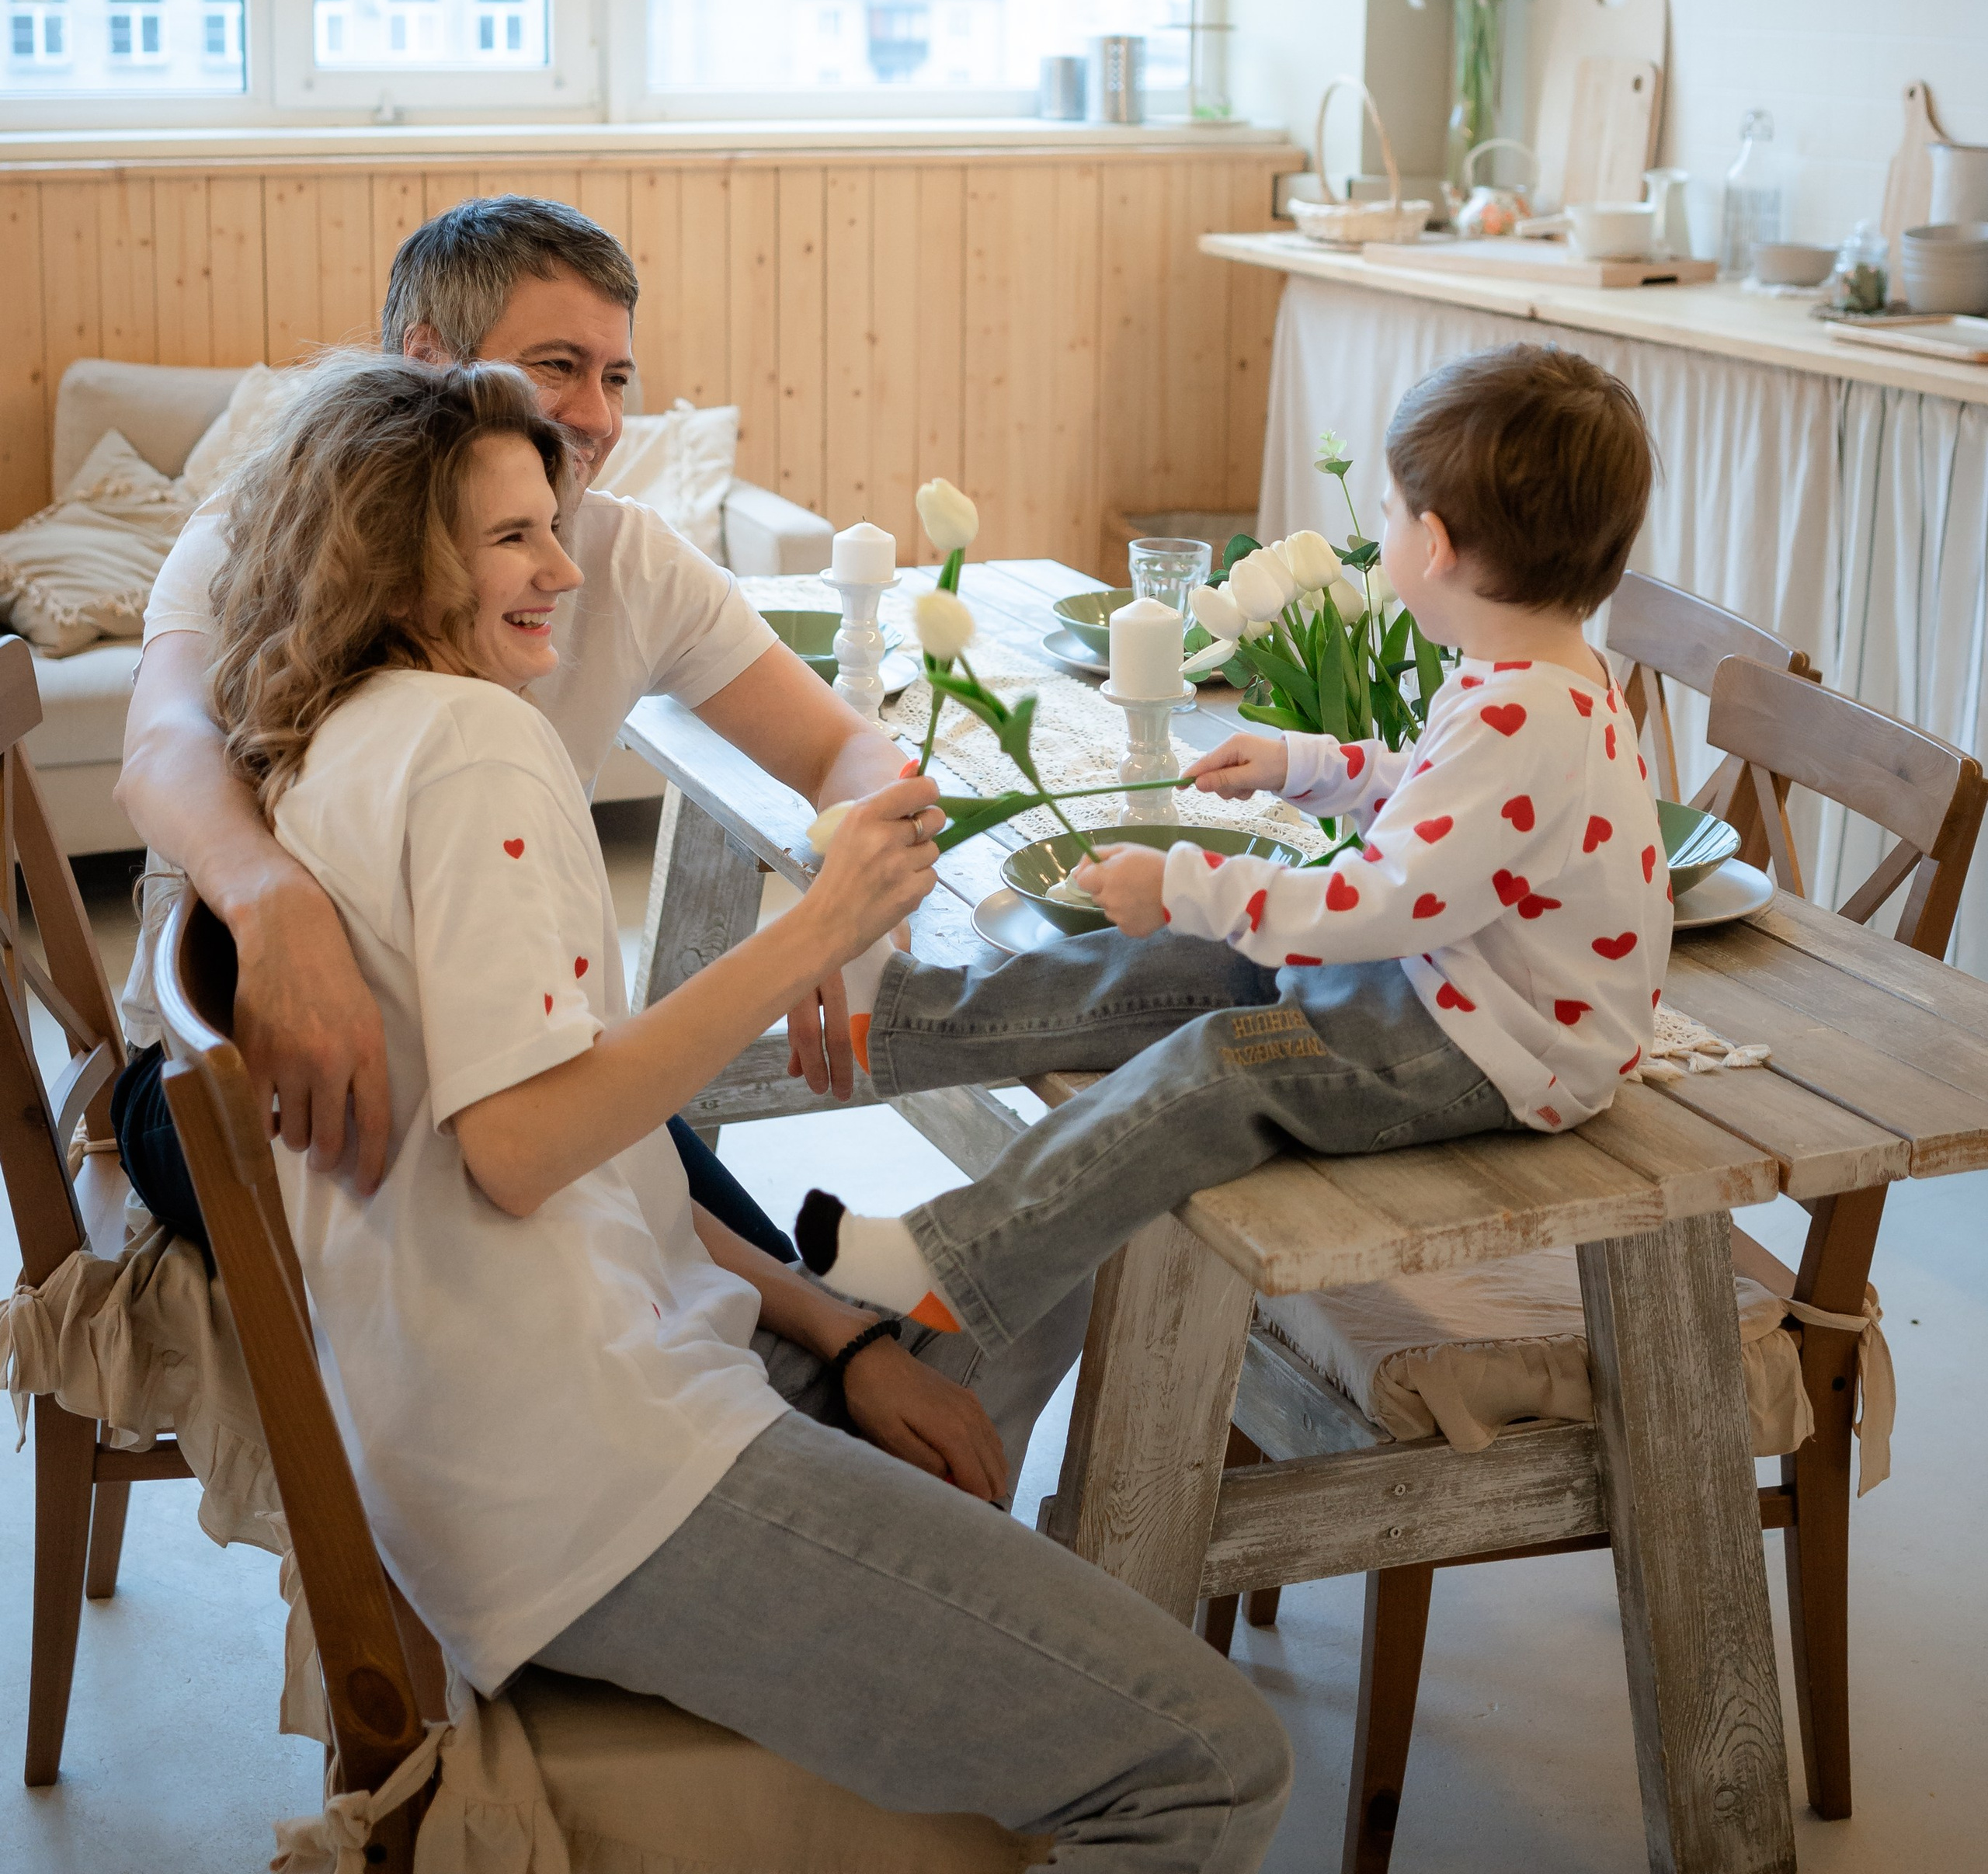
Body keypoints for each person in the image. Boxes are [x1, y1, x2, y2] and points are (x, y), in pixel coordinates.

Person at [202, 352, 1291, 1865]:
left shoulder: (330, 745)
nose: (560, 568)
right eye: (509, 536)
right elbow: (521, 1149)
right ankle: (1039, 1659)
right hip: (589, 1480)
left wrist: (837, 1332)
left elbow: (563, 1169)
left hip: (536, 1421)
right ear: (392, 558)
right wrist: (815, 931)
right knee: (1214, 1760)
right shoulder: (470, 749)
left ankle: (1006, 1624)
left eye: (552, 524)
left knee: (1055, 1211)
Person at [791, 346, 1667, 1354]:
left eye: (1384, 511)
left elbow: (1380, 900)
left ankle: (960, 1262)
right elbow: (1441, 795)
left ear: (1432, 544)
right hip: (1453, 992)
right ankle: (902, 1024)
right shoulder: (1538, 674)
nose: (1379, 532)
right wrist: (1303, 763)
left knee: (1223, 1065)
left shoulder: (1527, 713)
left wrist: (1184, 884)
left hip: (1491, 1056)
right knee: (1200, 967)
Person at [113, 195, 900, 1269]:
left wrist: (835, 864)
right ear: (429, 359)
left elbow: (844, 746)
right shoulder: (264, 533)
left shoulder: (625, 555)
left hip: (498, 1059)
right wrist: (273, 902)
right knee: (676, 1271)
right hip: (244, 1078)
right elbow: (163, 751)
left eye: (616, 376)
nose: (600, 415)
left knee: (769, 1301)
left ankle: (843, 1341)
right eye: (558, 366)